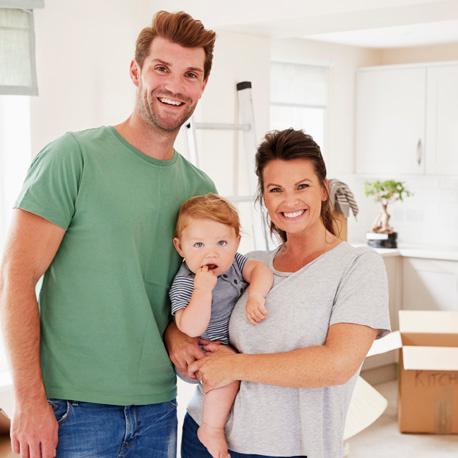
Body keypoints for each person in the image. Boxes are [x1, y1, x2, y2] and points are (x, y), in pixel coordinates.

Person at [0, 10, 217, 458]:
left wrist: (176, 335)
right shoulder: (73, 157)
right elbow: (14, 278)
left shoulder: (200, 189)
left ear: (202, 86)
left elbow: (182, 292)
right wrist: (28, 399)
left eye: (190, 74)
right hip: (71, 409)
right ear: (136, 72)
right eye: (162, 68)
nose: (175, 86)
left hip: (157, 408)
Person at [165, 128, 391, 458]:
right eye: (275, 190)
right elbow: (198, 308)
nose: (289, 201)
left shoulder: (358, 266)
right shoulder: (249, 263)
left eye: (302, 186)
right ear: (265, 198)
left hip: (288, 449)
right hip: (205, 438)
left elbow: (337, 365)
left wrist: (235, 366)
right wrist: (176, 337)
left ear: (323, 190)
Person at [170, 193, 273, 458]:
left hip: (231, 347)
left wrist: (256, 295)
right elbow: (190, 328)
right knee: (226, 379)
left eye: (222, 242)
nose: (211, 252)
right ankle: (211, 428)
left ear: (236, 242)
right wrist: (202, 291)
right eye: (198, 244)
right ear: (180, 247)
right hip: (205, 351)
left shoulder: (235, 262)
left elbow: (261, 271)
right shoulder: (186, 282)